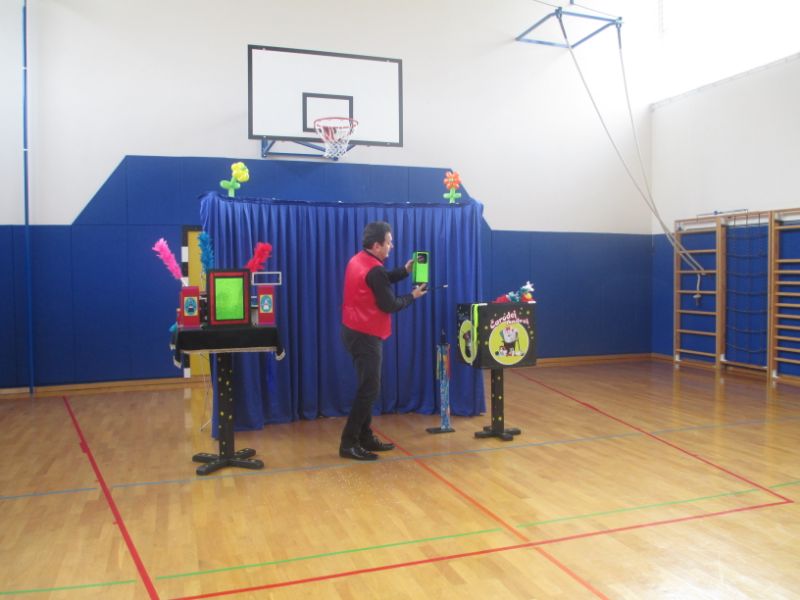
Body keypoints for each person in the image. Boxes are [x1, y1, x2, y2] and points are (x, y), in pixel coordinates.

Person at [339, 221, 428, 461]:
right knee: (369, 389)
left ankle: (365, 436)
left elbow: (381, 278)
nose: (392, 246)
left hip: (353, 330)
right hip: (365, 335)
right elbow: (389, 304)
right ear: (377, 245)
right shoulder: (374, 270)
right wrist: (412, 296)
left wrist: (404, 271)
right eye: (389, 242)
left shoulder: (358, 260)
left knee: (368, 386)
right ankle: (348, 443)